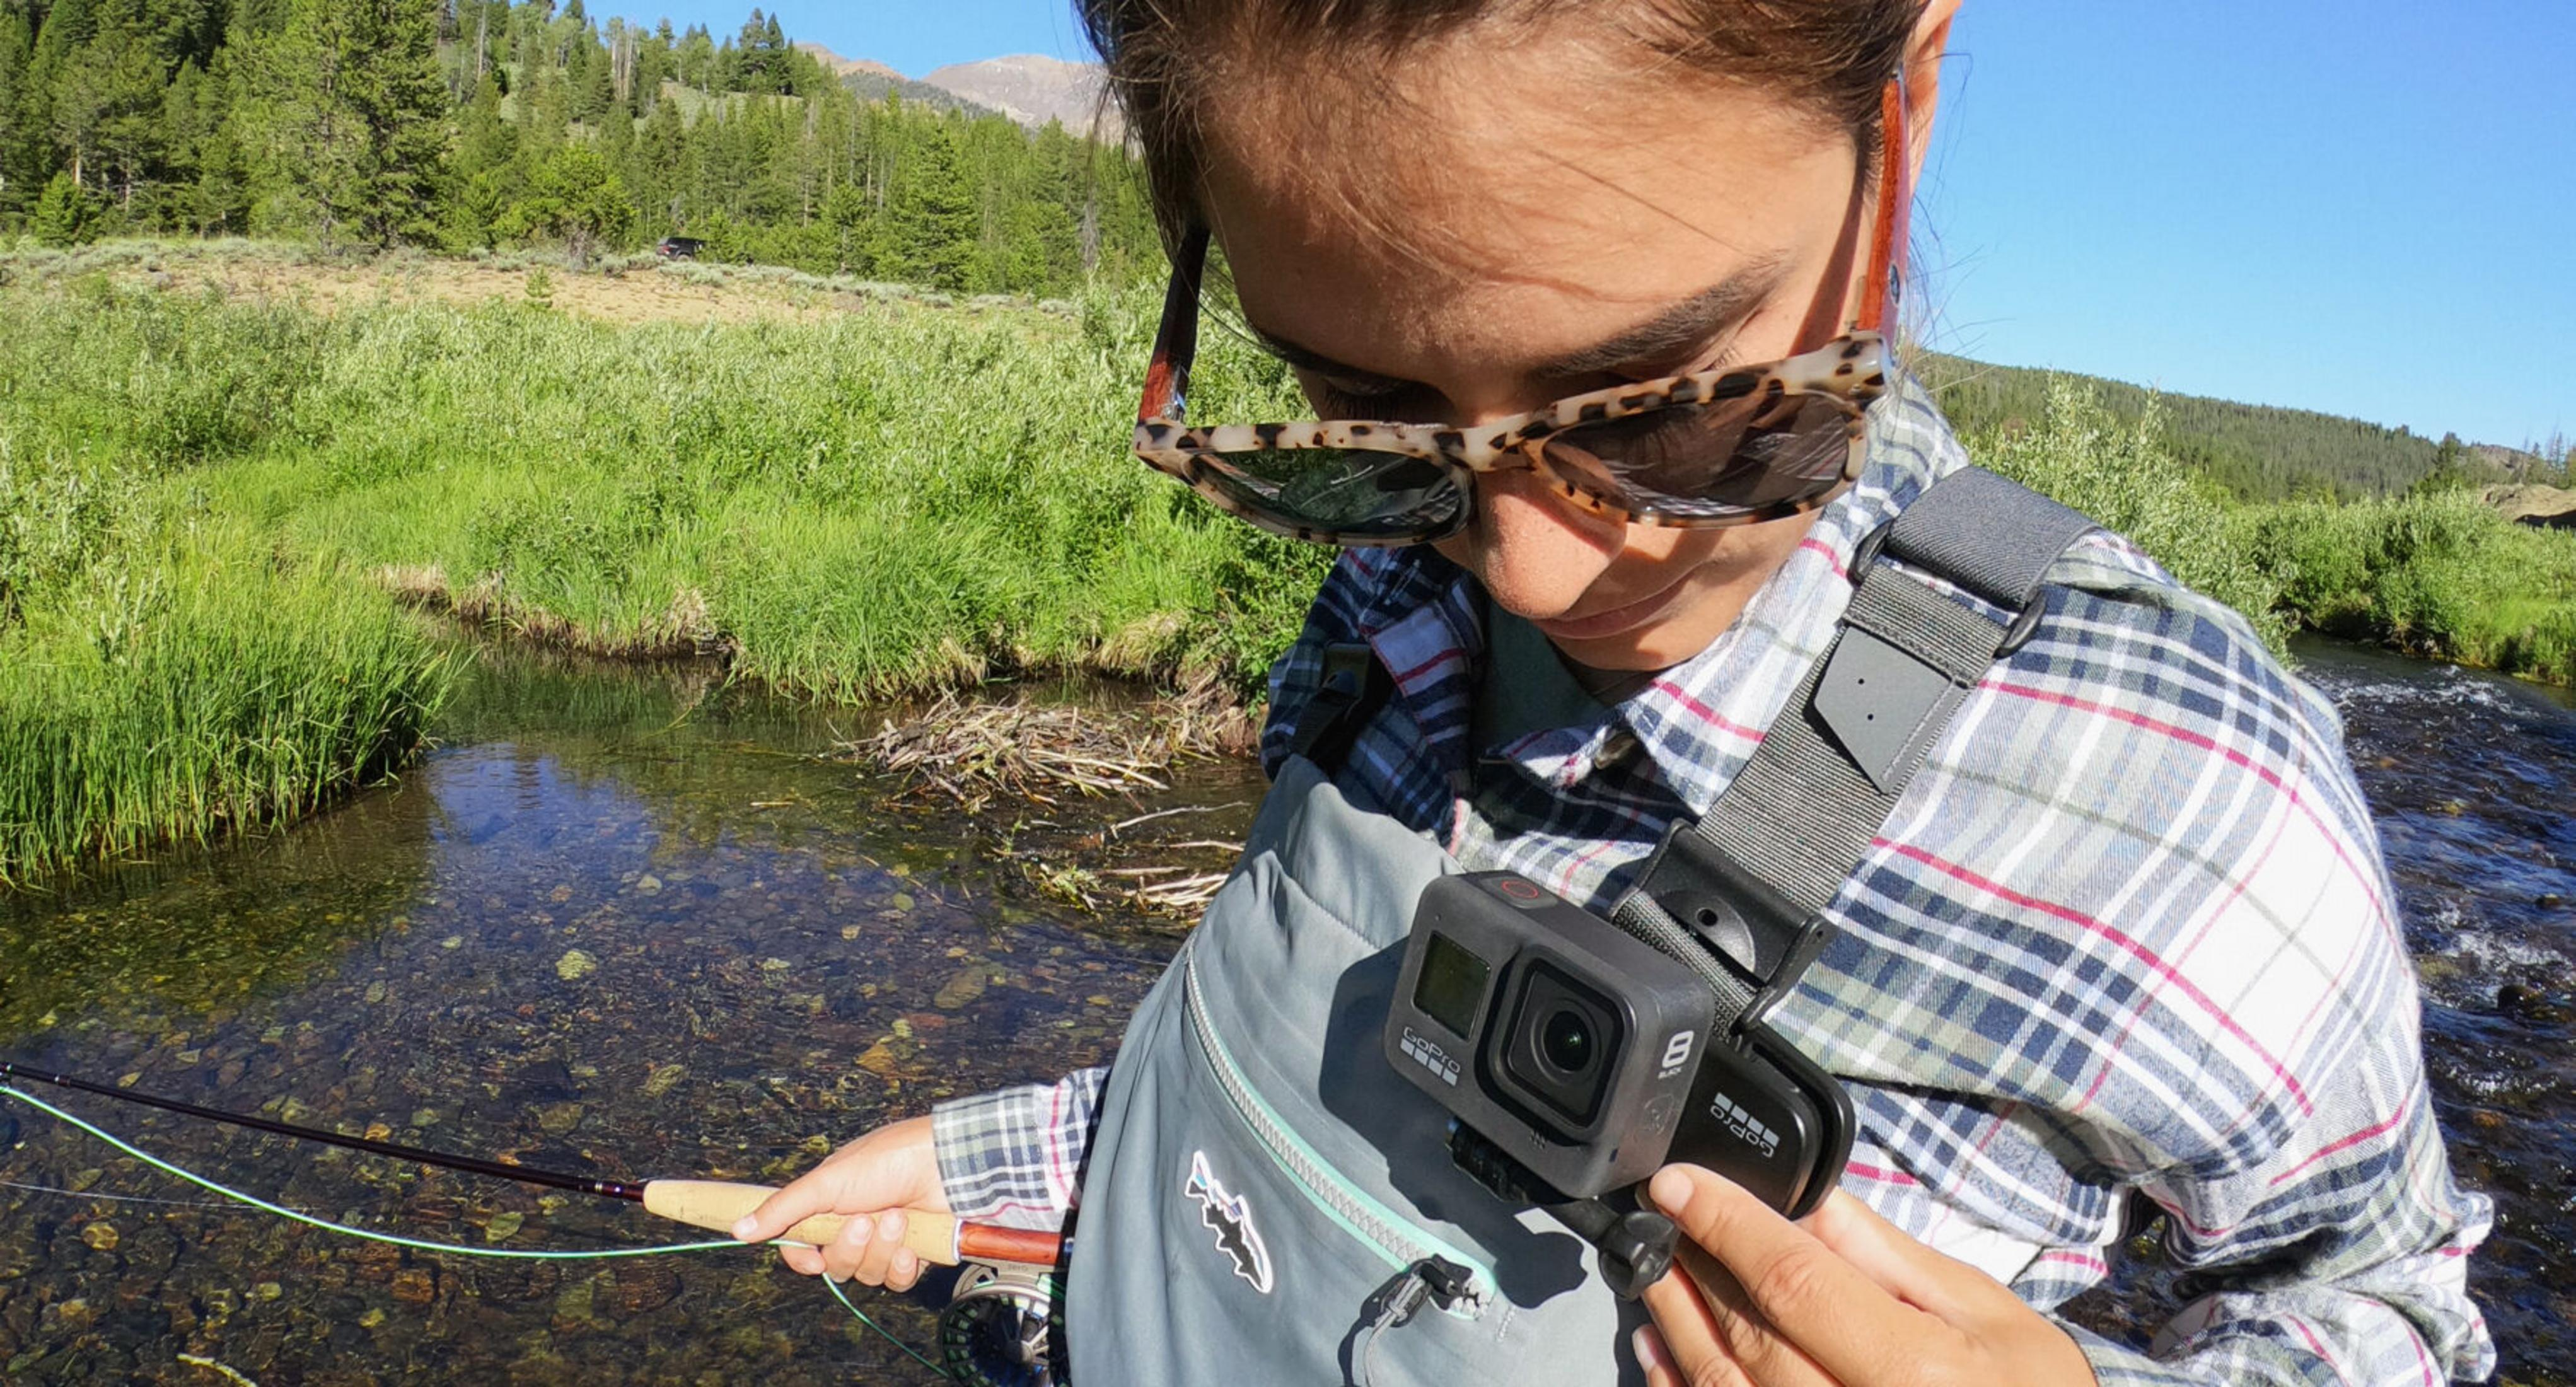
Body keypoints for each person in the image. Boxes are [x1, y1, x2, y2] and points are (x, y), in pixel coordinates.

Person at [735, 1, 2497, 1383]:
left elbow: (2381, 1305)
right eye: (1366, 425)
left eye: (1660, 411)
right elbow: (1318, 1068)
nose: (1523, 572)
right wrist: (1011, 1163)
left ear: (1909, 96)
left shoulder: (2182, 795)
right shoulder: (1393, 607)